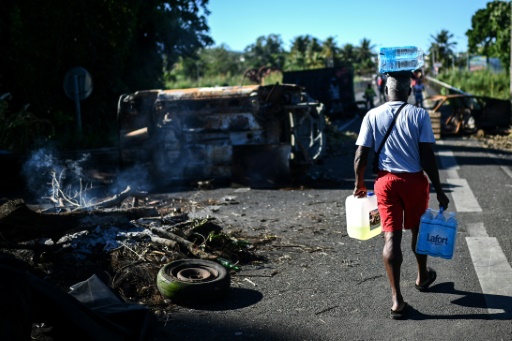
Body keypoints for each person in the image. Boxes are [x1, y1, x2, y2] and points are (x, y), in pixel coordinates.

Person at [352, 71, 450, 319]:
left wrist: (359, 183)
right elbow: (427, 155)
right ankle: (422, 276)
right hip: (414, 182)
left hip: (385, 184)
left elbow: (361, 155)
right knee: (418, 232)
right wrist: (438, 188)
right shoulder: (419, 115)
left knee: (390, 238)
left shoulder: (372, 115)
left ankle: (396, 300)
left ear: (386, 91)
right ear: (408, 91)